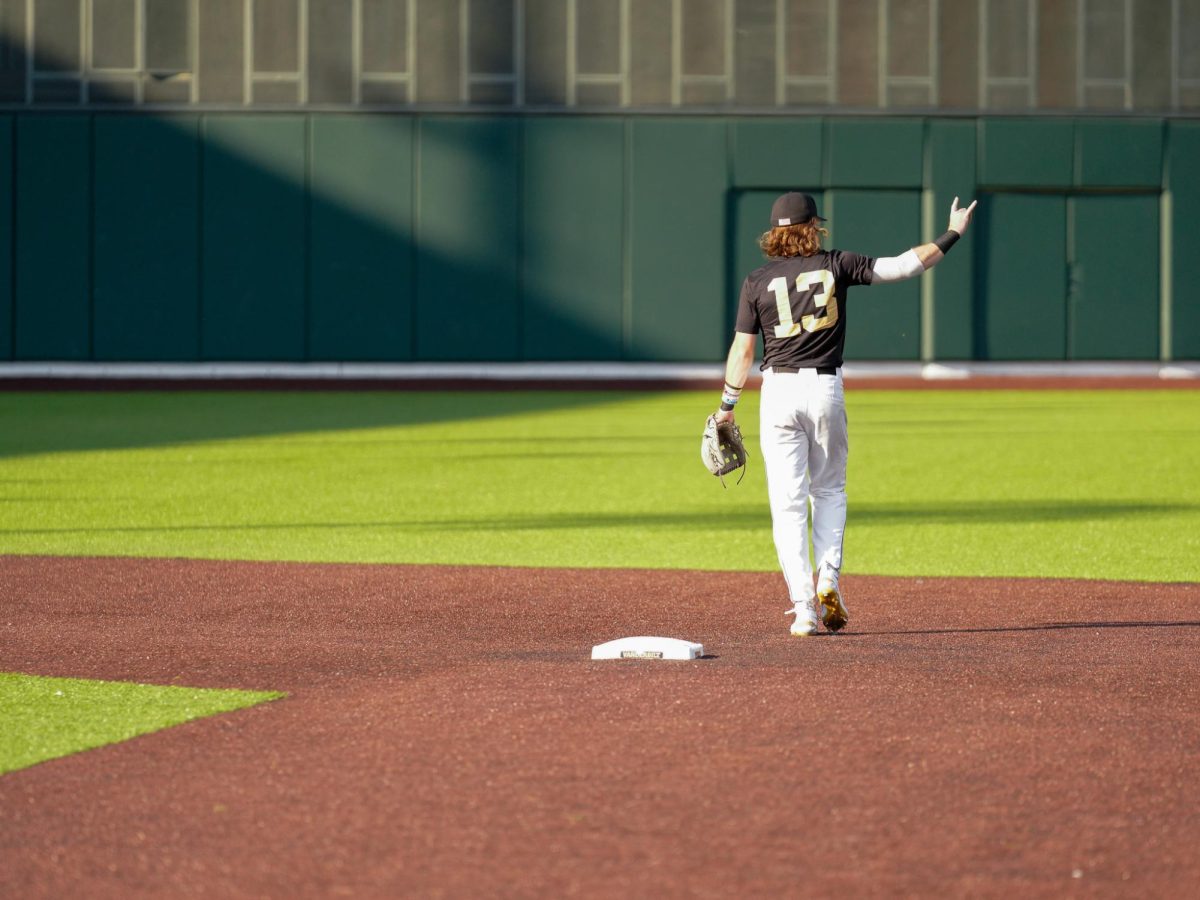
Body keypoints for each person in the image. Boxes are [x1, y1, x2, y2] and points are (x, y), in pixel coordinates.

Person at [715, 191, 977, 636]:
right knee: (830, 491)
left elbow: (743, 350)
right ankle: (829, 581)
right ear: (813, 226)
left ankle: (803, 609)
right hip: (824, 387)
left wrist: (726, 407)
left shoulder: (757, 280)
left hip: (777, 390)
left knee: (788, 505)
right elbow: (904, 265)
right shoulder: (836, 263)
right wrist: (952, 233)